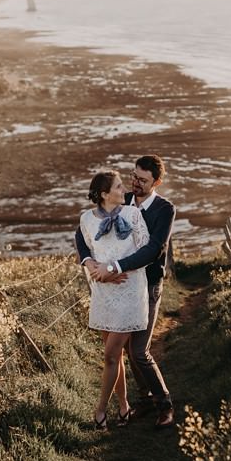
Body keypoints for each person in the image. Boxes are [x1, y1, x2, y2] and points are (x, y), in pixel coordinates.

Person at [76, 154, 176, 429]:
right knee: (123, 352)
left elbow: (153, 249)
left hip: (147, 284)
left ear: (156, 182)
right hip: (111, 287)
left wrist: (116, 267)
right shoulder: (125, 200)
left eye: (142, 181)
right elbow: (84, 231)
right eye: (133, 177)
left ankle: (164, 404)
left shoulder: (164, 209)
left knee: (139, 351)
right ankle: (137, 402)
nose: (135, 184)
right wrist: (91, 263)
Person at [79, 171, 151, 430]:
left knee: (110, 355)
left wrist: (115, 270)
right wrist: (92, 267)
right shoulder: (86, 219)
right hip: (103, 293)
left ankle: (100, 413)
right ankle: (123, 408)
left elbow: (145, 251)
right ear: (104, 194)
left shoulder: (132, 215)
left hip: (130, 291)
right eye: (119, 187)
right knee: (115, 357)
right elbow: (86, 249)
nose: (125, 190)